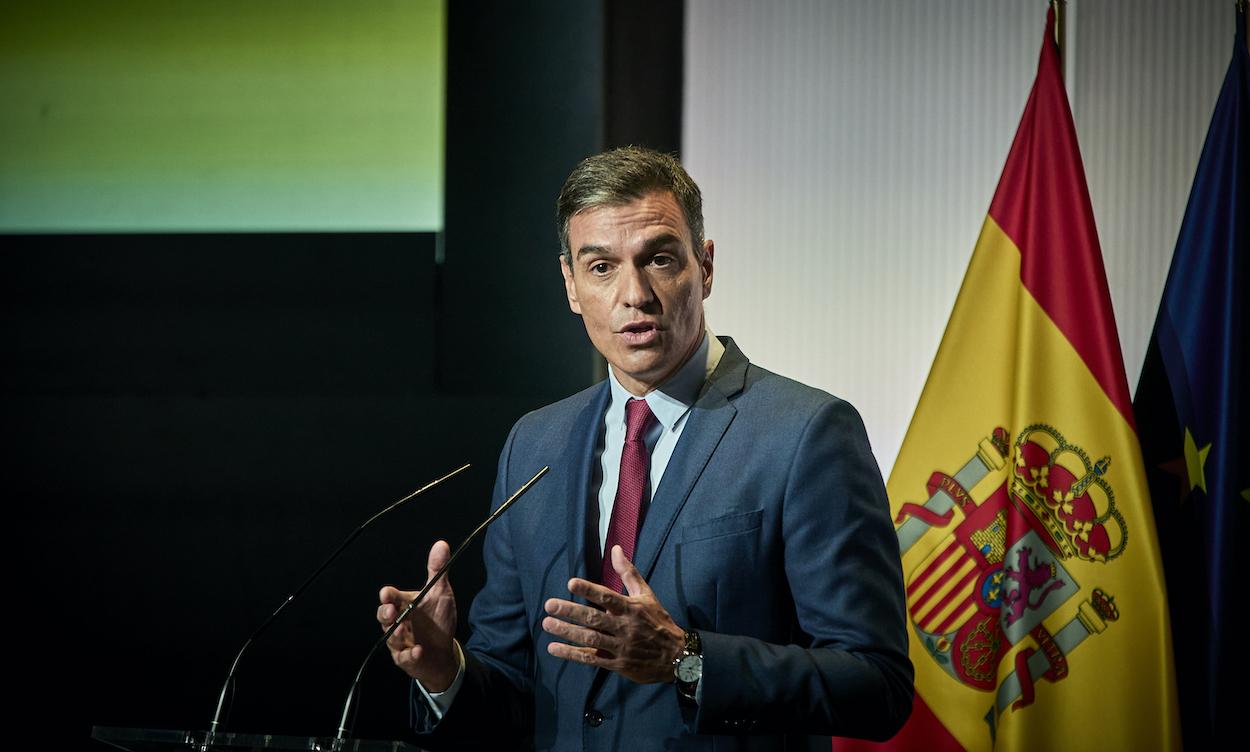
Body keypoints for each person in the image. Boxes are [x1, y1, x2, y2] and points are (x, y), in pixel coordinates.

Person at [377, 147, 913, 750]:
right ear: (571, 285)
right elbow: (520, 690)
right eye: (601, 267)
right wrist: (446, 671)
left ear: (705, 267)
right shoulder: (534, 445)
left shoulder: (806, 434)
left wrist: (686, 660)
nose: (635, 294)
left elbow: (877, 685)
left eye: (658, 259)